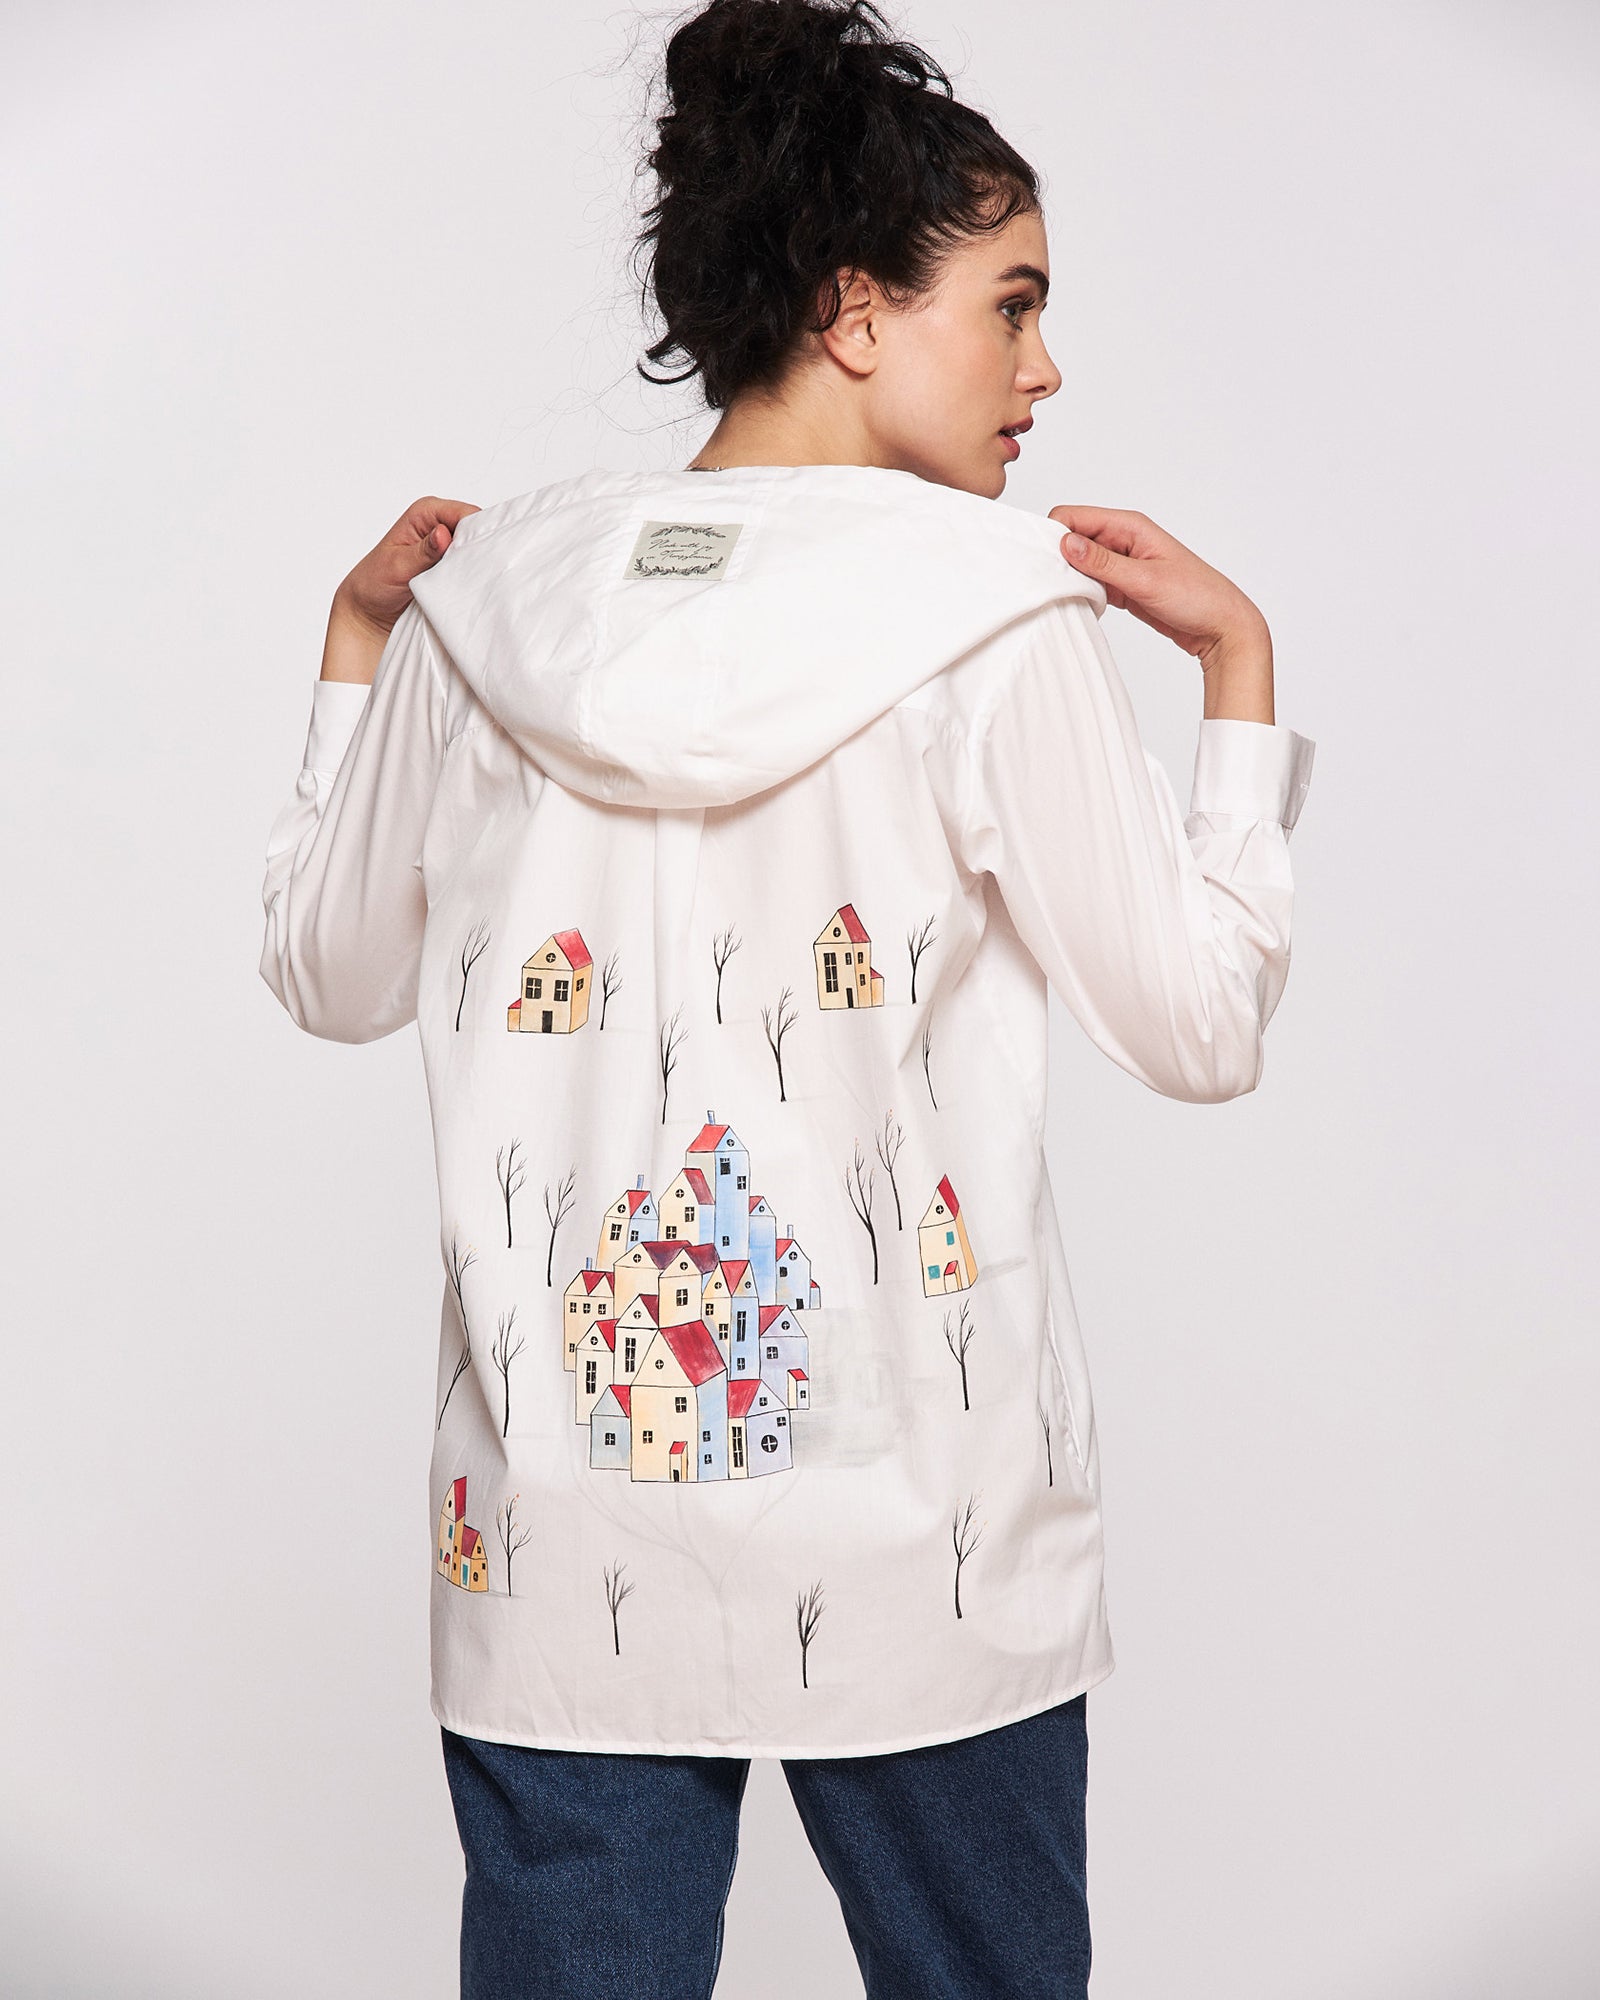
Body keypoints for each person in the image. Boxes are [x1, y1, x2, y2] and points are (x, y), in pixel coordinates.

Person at [258, 0, 1316, 1993]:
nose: (1043, 367)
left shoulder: (481, 612)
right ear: (850, 309)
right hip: (926, 1529)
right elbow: (1198, 1029)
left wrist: (351, 648)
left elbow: (327, 975)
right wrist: (1240, 680)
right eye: (1010, 307)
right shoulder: (995, 616)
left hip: (559, 1532)